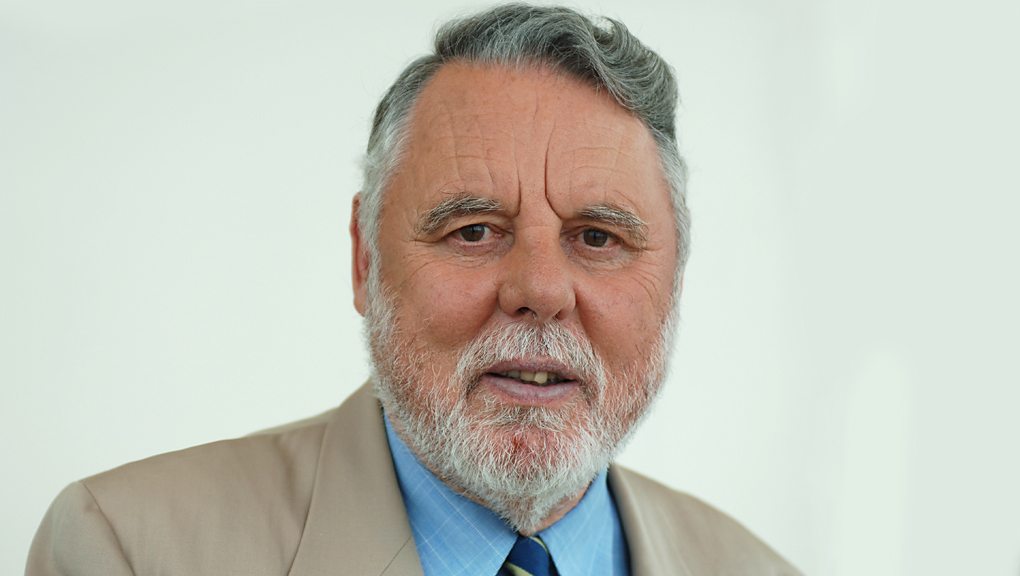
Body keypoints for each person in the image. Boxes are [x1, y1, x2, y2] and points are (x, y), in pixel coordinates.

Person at [27, 4, 800, 575]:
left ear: (674, 279)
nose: (540, 289)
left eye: (597, 237)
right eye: (474, 230)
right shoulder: (126, 549)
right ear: (365, 259)